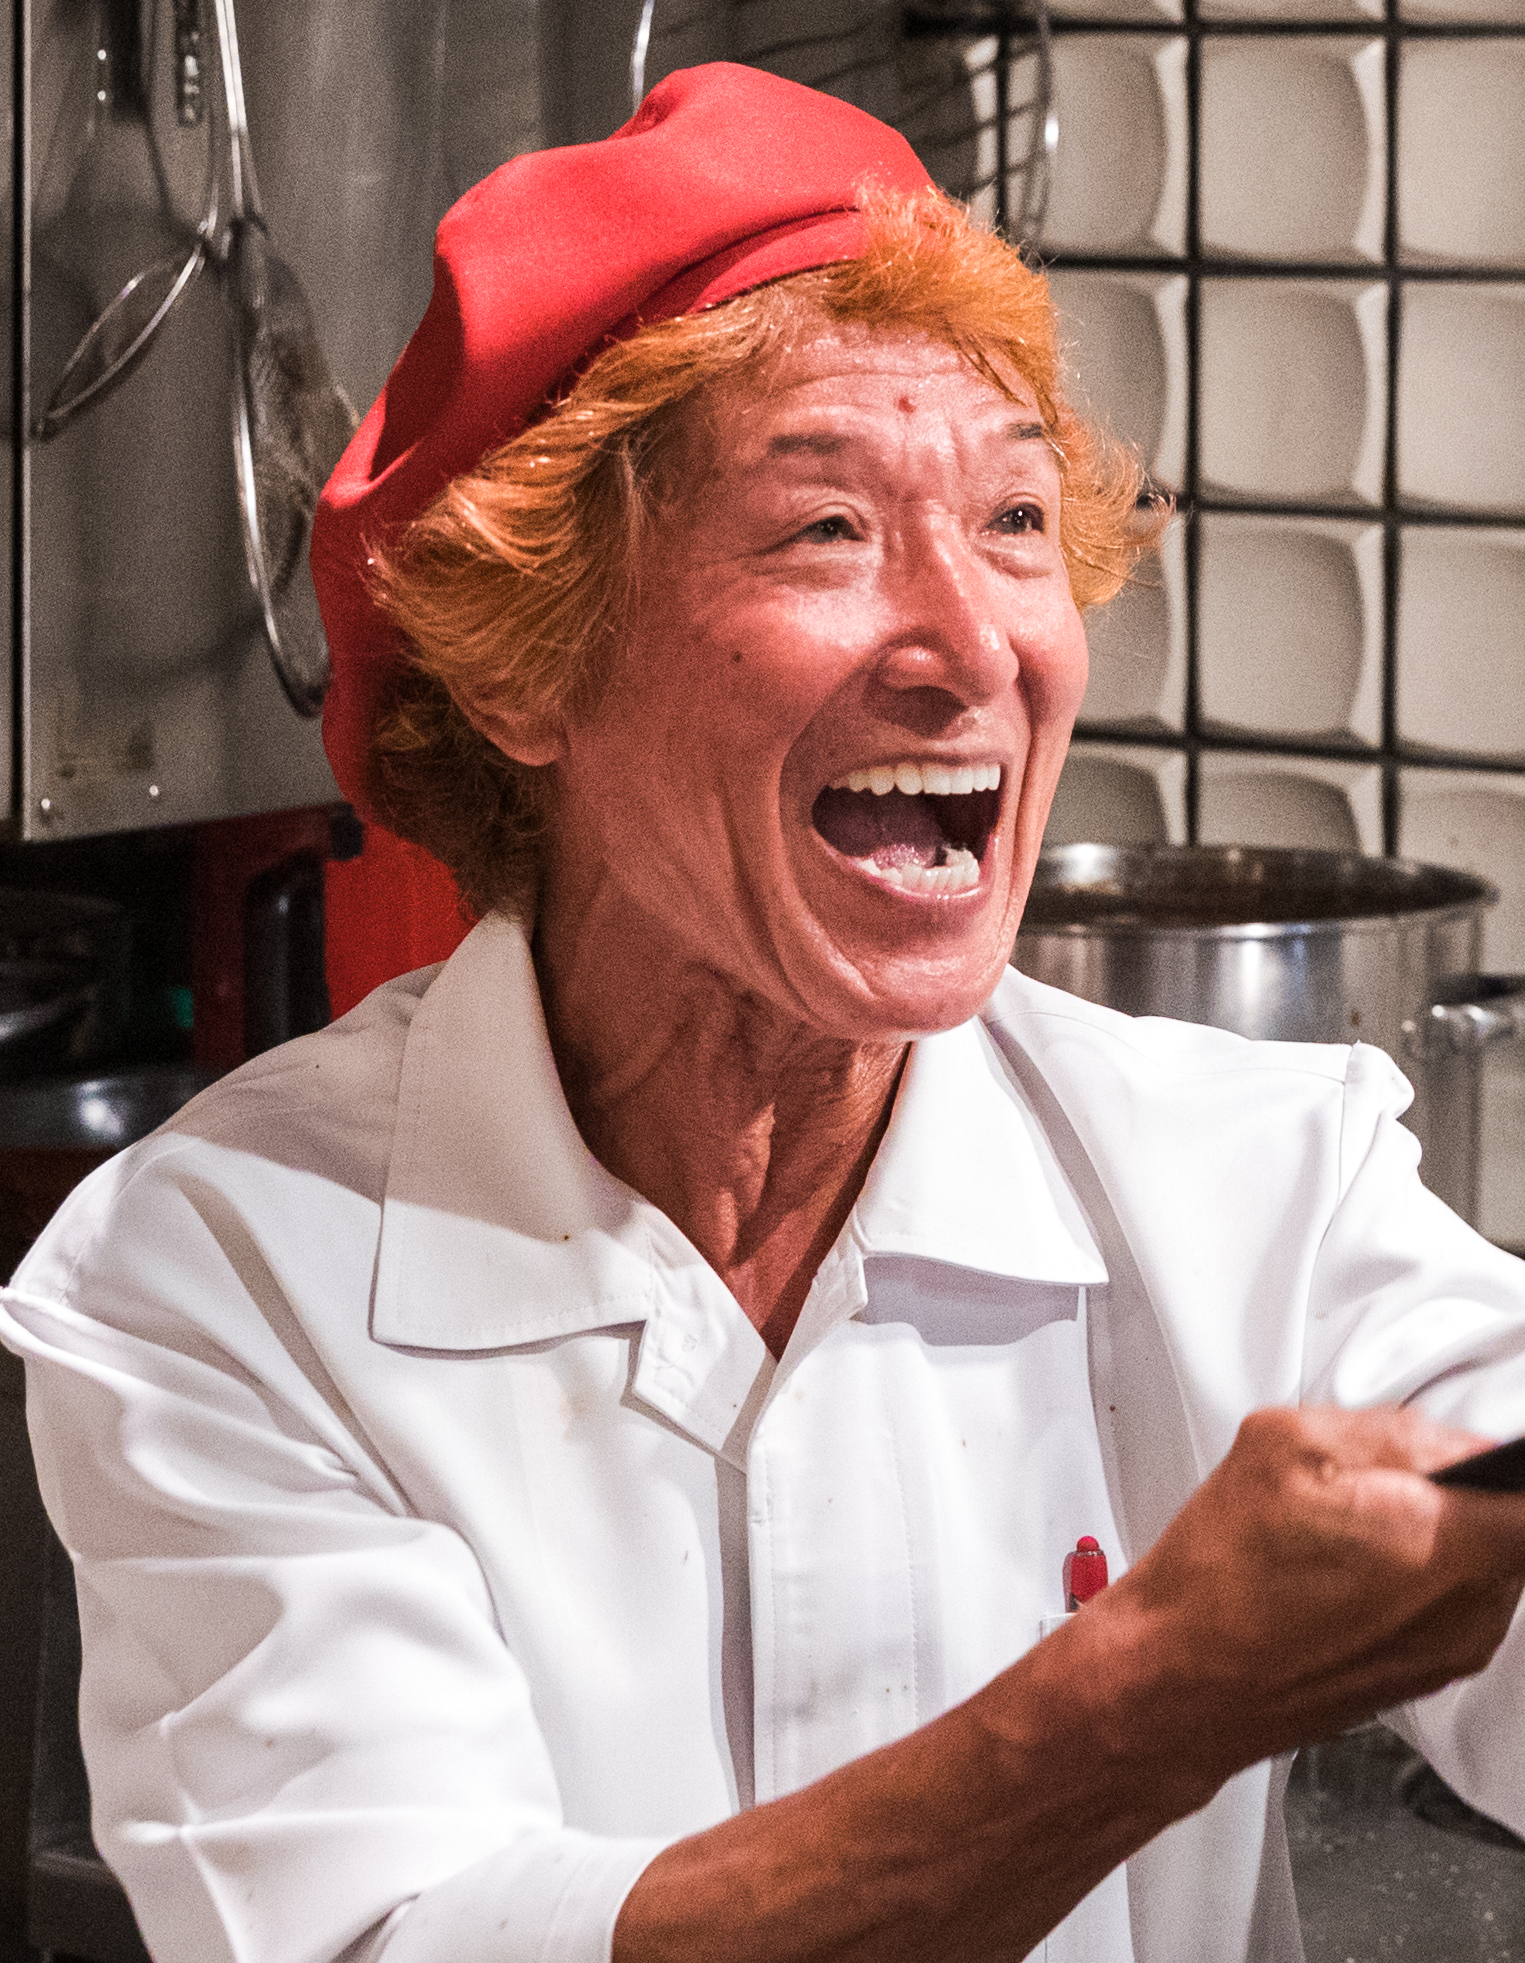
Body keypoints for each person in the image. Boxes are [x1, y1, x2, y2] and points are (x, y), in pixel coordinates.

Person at [6, 61, 1525, 1963]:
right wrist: (1142, 1698)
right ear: (525, 669)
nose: (973, 645)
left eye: (1015, 525)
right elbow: (407, 1933)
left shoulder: (1249, 1179)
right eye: (826, 532)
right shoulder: (225, 1276)